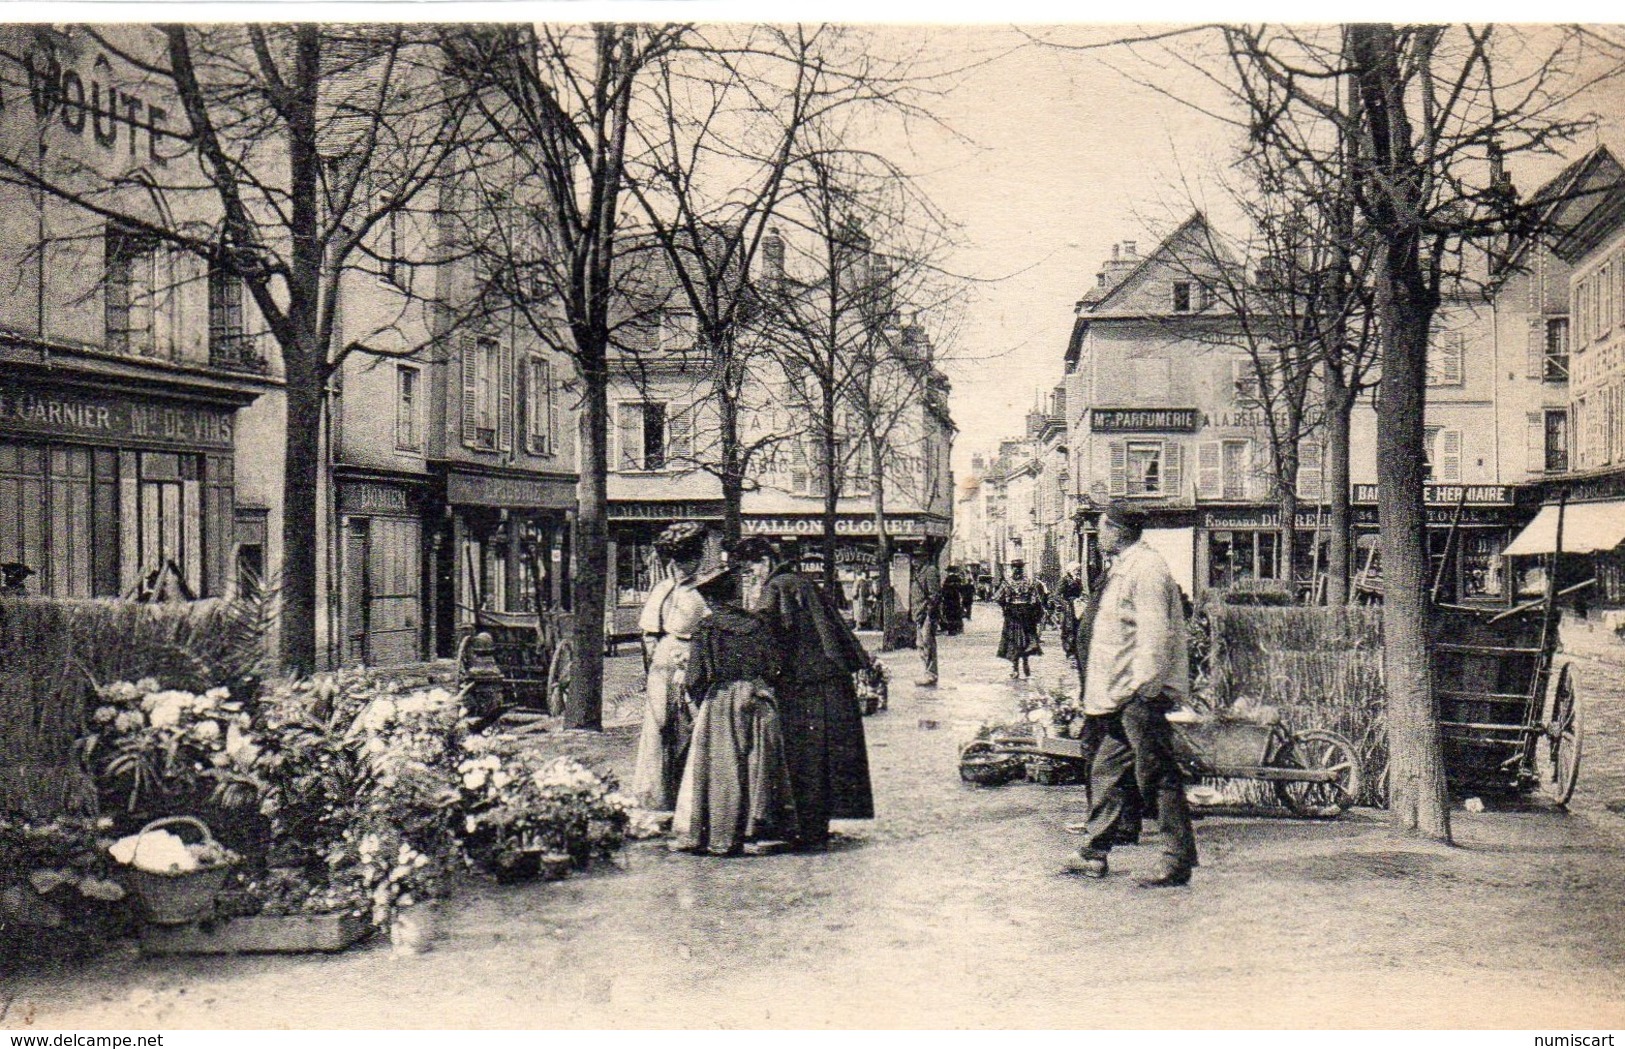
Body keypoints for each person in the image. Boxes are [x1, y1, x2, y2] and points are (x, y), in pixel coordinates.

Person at [1066, 503, 1198, 889]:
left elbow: (1156, 633)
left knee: (1156, 774)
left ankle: (1176, 859)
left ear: (1117, 530)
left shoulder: (1147, 569)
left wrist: (1147, 686)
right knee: (1106, 770)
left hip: (1138, 693)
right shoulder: (1124, 567)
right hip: (1116, 694)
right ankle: (1093, 853)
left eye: (1102, 528)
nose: (1099, 534)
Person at [733, 535, 875, 849]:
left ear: (765, 561)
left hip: (803, 683)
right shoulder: (801, 581)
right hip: (829, 678)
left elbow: (768, 633)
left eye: (752, 567)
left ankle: (804, 829)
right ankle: (816, 824)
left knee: (804, 754)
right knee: (824, 753)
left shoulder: (776, 587)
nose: (752, 574)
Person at [670, 565, 798, 857]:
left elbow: (694, 678)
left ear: (711, 599)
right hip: (758, 696)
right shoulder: (757, 625)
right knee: (759, 764)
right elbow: (775, 666)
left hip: (723, 698)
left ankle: (722, 834)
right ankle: (759, 830)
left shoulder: (707, 628)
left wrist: (702, 700)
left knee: (722, 768)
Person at [631, 521, 711, 812]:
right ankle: (685, 798)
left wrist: (655, 663)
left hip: (664, 658)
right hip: (690, 658)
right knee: (689, 725)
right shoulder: (704, 590)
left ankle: (663, 795)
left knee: (664, 726)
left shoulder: (662, 590)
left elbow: (649, 636)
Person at [993, 560, 1047, 679]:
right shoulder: (1030, 582)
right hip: (1026, 614)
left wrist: (1005, 606)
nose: (1017, 570)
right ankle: (1025, 664)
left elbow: (997, 597)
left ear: (1012, 568)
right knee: (1026, 640)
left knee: (1014, 641)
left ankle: (1015, 667)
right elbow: (1036, 599)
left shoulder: (1007, 582)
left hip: (1013, 614)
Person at [911, 550, 943, 686]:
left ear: (924, 557)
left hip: (926, 615)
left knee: (928, 645)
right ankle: (927, 672)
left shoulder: (930, 571)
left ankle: (931, 674)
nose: (914, 561)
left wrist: (928, 613)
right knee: (921, 645)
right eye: (913, 558)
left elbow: (934, 595)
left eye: (917, 558)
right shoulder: (918, 573)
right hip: (918, 614)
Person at [1057, 563, 1084, 665]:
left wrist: (1080, 598)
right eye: (1076, 569)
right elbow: (1057, 595)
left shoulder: (1078, 579)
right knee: (1069, 630)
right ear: (1071, 570)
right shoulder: (1064, 580)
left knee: (1077, 629)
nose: (1078, 571)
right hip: (1068, 609)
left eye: (1079, 570)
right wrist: (1066, 603)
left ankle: (1076, 653)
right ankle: (1070, 653)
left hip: (1077, 607)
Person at [938, 566, 966, 637]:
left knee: (949, 615)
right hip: (956, 600)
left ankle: (951, 630)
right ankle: (957, 629)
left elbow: (943, 591)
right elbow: (961, 590)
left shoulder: (947, 579)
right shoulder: (958, 579)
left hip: (948, 600)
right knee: (956, 615)